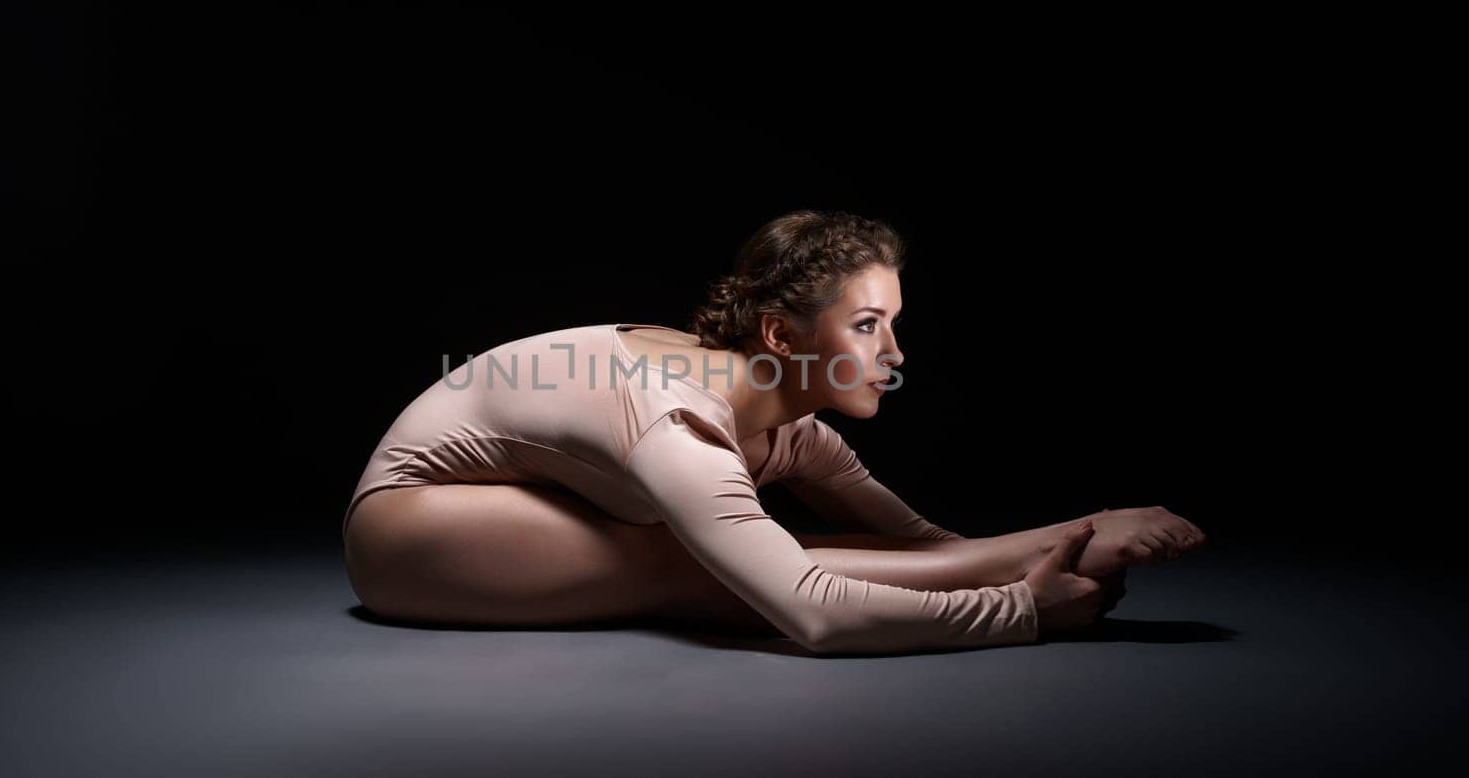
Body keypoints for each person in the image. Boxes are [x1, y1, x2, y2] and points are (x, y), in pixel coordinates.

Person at [342, 210, 1205, 655]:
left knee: (741, 546)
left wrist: (1034, 554)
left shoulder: (790, 427)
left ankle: (1064, 539)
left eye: (893, 323)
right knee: (698, 564)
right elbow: (806, 612)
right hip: (410, 527)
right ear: (784, 338)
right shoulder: (681, 422)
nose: (895, 352)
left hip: (524, 499)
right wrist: (1022, 608)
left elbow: (930, 544)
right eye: (867, 326)